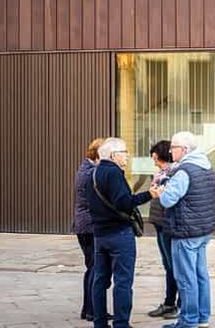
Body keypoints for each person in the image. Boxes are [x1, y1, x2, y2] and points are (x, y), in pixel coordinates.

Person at [87, 138, 154, 328]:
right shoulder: (114, 173)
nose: (127, 156)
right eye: (124, 152)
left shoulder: (95, 172)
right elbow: (124, 202)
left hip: (100, 234)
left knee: (100, 280)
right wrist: (150, 194)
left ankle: (99, 322)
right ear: (114, 155)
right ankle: (121, 323)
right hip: (119, 234)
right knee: (123, 282)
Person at [156, 131, 215, 328]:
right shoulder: (206, 166)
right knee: (201, 275)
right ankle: (202, 317)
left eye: (173, 147)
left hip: (185, 231)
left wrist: (162, 190)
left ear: (183, 150)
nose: (170, 150)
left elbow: (167, 200)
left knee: (185, 277)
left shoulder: (184, 171)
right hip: (202, 229)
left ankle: (188, 320)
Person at [73, 138, 108, 322]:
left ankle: (89, 309)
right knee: (95, 268)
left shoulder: (84, 168)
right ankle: (93, 310)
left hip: (83, 224)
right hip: (90, 225)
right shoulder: (92, 172)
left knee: (92, 268)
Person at [146, 140, 180, 320]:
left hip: (168, 223)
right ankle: (169, 302)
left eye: (156, 159)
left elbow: (167, 197)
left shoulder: (174, 173)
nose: (154, 162)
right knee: (168, 265)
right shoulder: (160, 172)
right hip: (159, 223)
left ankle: (176, 304)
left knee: (173, 266)